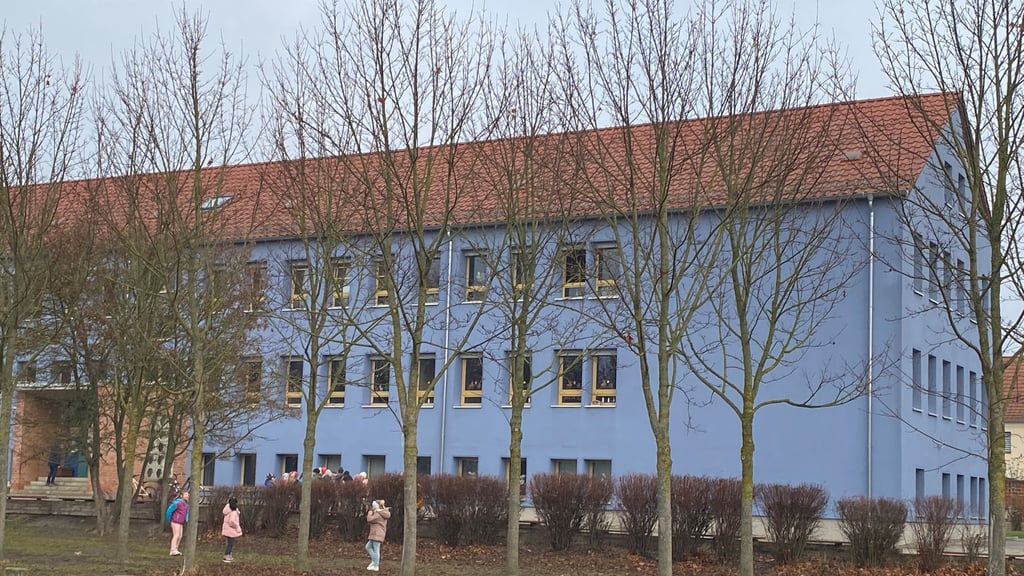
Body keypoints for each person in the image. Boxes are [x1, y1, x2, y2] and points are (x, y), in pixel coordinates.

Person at [365, 499, 390, 572]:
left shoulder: (378, 514)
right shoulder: (382, 513)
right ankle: (374, 561)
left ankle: (376, 565)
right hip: (376, 533)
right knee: (368, 547)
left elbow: (369, 519)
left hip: (377, 533)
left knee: (376, 549)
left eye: (374, 506)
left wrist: (370, 512)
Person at [168, 491, 190, 556]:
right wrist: (170, 520)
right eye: (185, 495)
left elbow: (186, 513)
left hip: (181, 522)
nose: (187, 496)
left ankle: (176, 549)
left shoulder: (186, 505)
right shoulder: (177, 503)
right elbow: (169, 511)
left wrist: (186, 520)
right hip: (175, 521)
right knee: (176, 535)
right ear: (181, 496)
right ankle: (172, 550)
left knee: (180, 536)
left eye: (187, 495)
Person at [221, 496, 242, 563]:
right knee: (230, 544)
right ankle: (227, 555)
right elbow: (232, 521)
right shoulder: (233, 512)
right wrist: (237, 526)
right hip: (231, 530)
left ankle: (228, 555)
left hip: (227, 529)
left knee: (229, 543)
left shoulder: (227, 510)